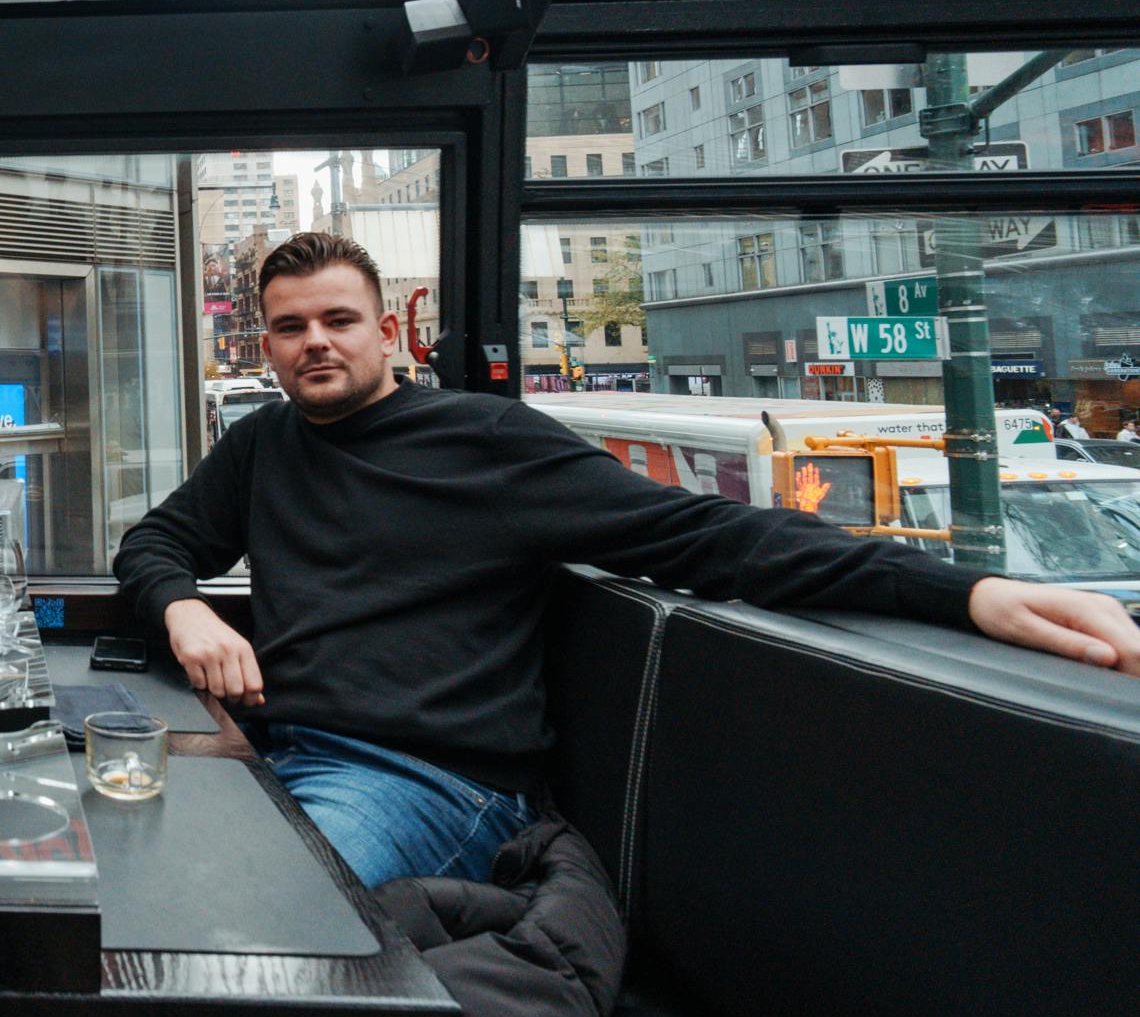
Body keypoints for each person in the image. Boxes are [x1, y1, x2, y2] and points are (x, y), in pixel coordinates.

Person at [114, 232, 1140, 893]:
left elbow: (711, 535)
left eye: (338, 320)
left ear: (388, 331)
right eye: (289, 326)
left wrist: (970, 590)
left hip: (430, 776)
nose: (314, 343)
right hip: (277, 747)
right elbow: (153, 541)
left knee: (241, 929)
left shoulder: (489, 439)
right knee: (121, 885)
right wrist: (187, 611)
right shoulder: (264, 445)